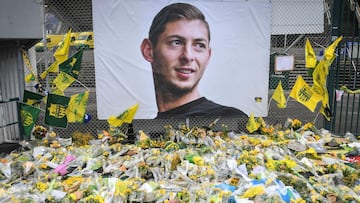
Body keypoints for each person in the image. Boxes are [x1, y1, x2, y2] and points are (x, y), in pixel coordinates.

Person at [140, 3, 247, 119]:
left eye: (199, 45)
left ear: (208, 56)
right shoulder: (144, 132)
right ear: (149, 51)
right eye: (176, 42)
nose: (188, 56)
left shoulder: (231, 120)